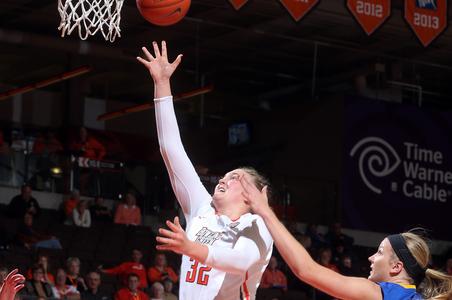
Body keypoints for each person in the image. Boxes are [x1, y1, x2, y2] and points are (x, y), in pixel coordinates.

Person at [137, 41, 273, 300]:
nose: (223, 179)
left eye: (234, 178)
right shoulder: (202, 209)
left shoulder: (257, 225)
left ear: (250, 196)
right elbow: (171, 149)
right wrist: (162, 84)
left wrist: (191, 247)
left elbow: (240, 261)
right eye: (224, 175)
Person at [239, 177, 452, 300]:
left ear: (396, 267)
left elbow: (306, 270)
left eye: (379, 252)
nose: (370, 258)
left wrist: (265, 211)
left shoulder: (380, 294)